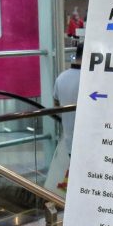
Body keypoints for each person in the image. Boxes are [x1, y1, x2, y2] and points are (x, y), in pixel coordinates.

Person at [46, 40, 83, 193]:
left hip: (69, 139)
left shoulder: (61, 77)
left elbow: (56, 105)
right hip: (89, 142)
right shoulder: (91, 80)